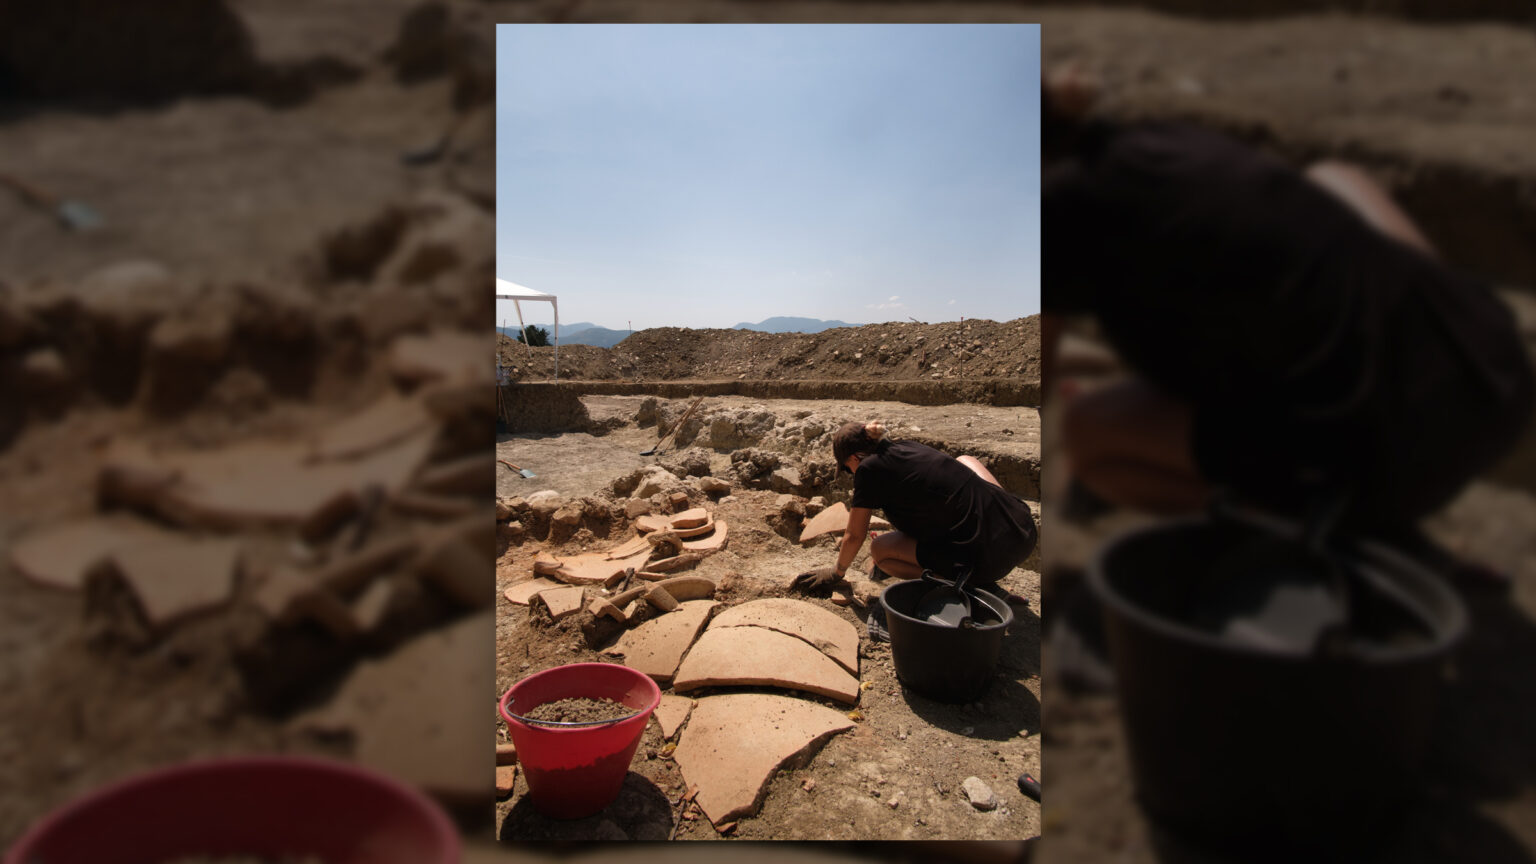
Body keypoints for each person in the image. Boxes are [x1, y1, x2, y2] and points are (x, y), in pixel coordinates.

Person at [1041, 66, 1534, 581]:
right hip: (1492, 369)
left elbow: (1040, 383)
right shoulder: (1149, 137)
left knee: (1087, 437)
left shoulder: (1056, 209)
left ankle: (1335, 535)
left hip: (1395, 452)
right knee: (1336, 179)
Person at [793, 421, 1038, 607]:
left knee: (880, 552)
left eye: (847, 468)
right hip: (1022, 530)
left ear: (856, 457)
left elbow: (854, 535)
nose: (851, 474)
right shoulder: (904, 447)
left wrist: (836, 572)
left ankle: (967, 586)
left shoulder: (868, 469)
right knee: (965, 460)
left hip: (989, 559)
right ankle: (981, 547)